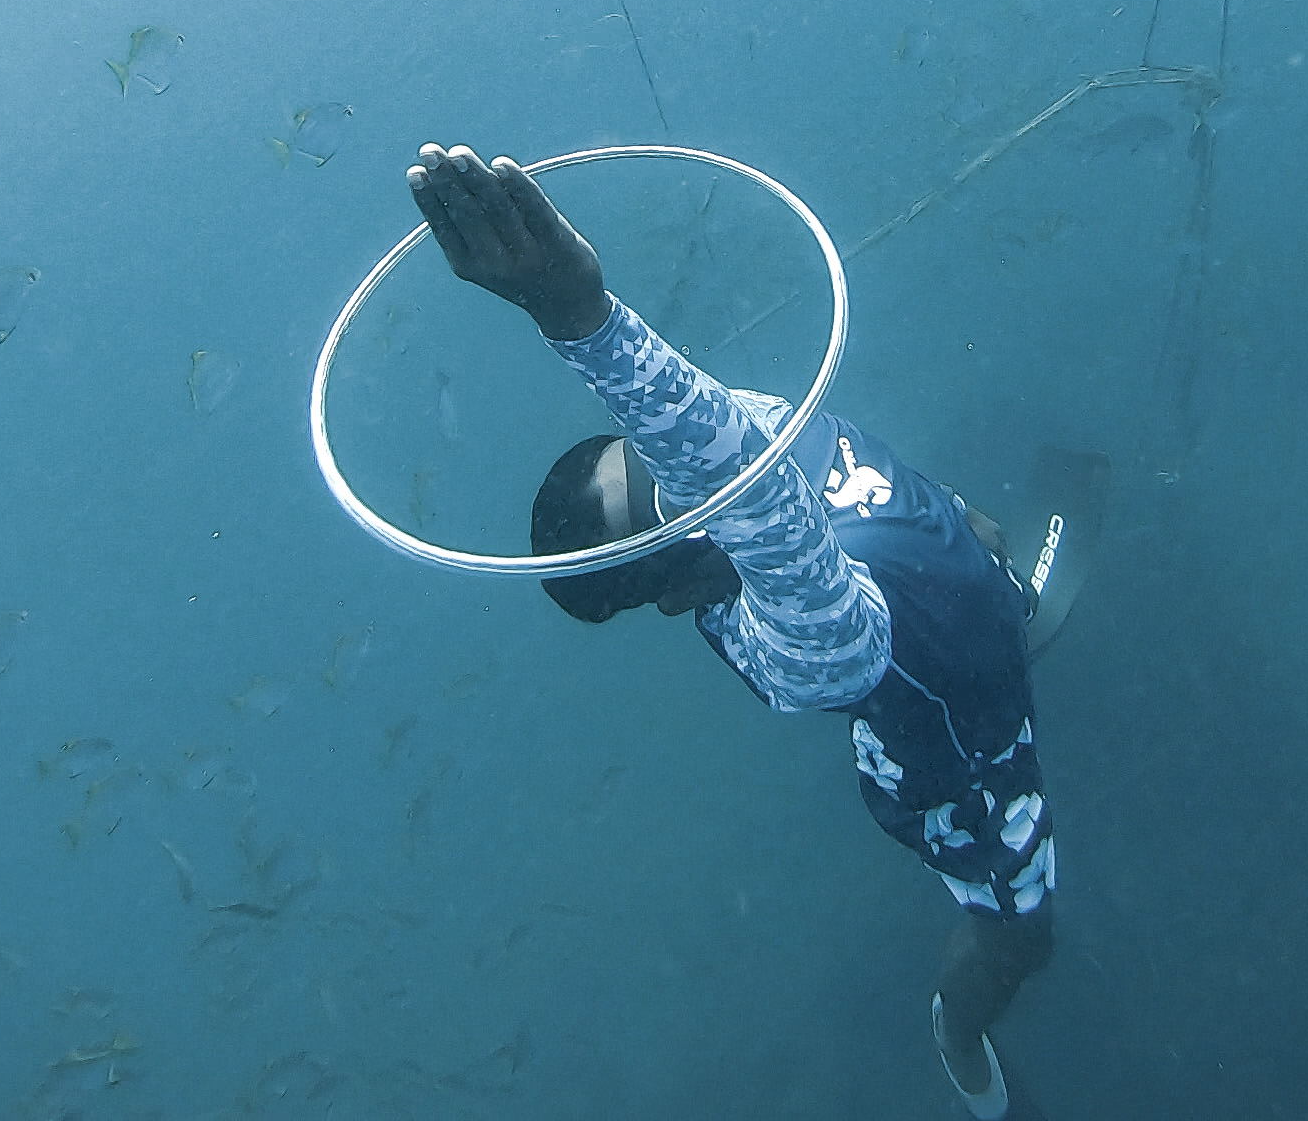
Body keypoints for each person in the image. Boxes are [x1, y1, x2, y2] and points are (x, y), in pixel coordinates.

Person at [407, 142, 1054, 1120]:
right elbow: (754, 494)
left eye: (650, 466)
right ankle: (957, 1025)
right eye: (666, 519)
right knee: (1020, 932)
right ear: (675, 592)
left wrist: (965, 527)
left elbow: (716, 436)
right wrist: (578, 314)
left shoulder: (737, 430)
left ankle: (1003, 602)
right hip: (961, 763)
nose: (682, 489)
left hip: (949, 587)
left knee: (968, 535)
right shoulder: (805, 638)